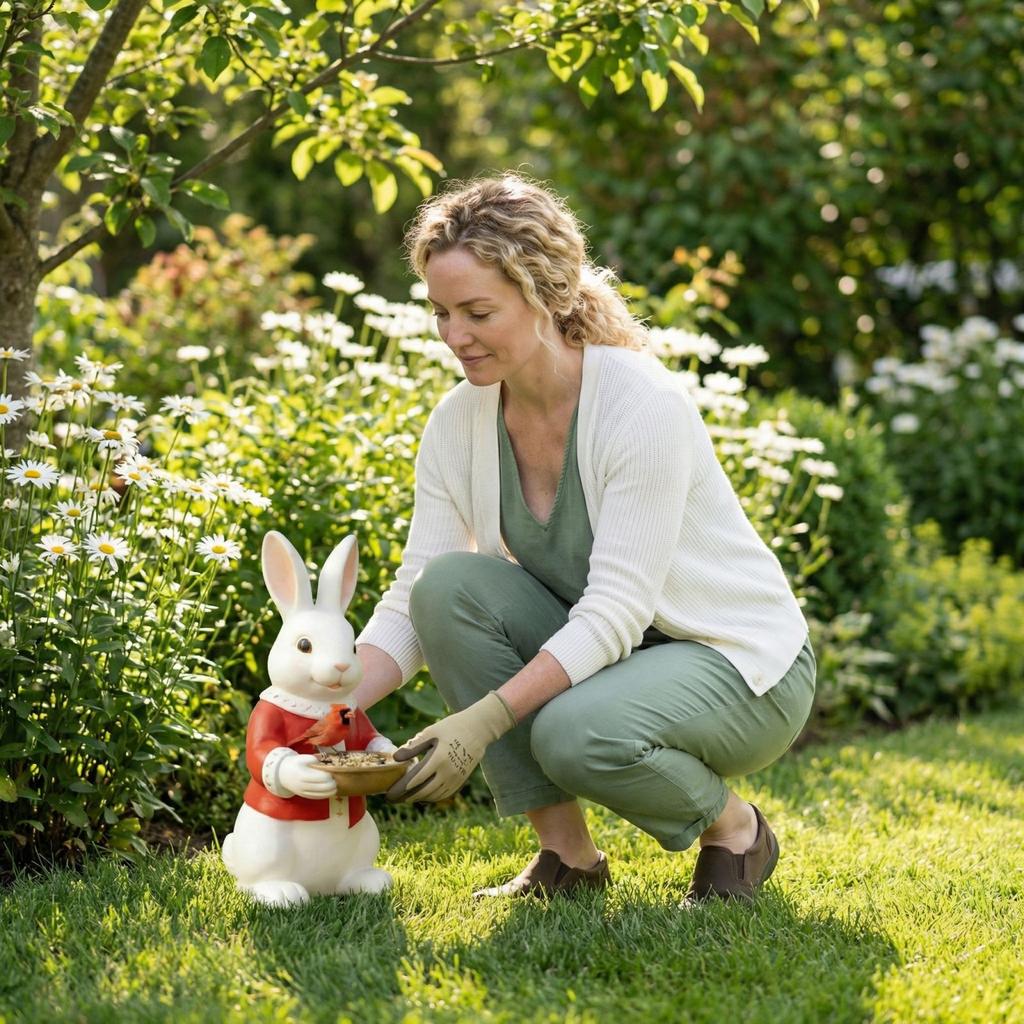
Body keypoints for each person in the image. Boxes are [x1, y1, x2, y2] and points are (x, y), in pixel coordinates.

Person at [350, 171, 816, 906]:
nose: (454, 336)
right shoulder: (459, 421)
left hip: (739, 667)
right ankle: (567, 859)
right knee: (451, 588)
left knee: (570, 732)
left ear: (546, 297)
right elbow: (417, 593)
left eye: (477, 312)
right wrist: (330, 705)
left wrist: (487, 718)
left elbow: (617, 610)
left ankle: (736, 832)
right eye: (440, 312)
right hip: (618, 655)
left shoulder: (640, 405)